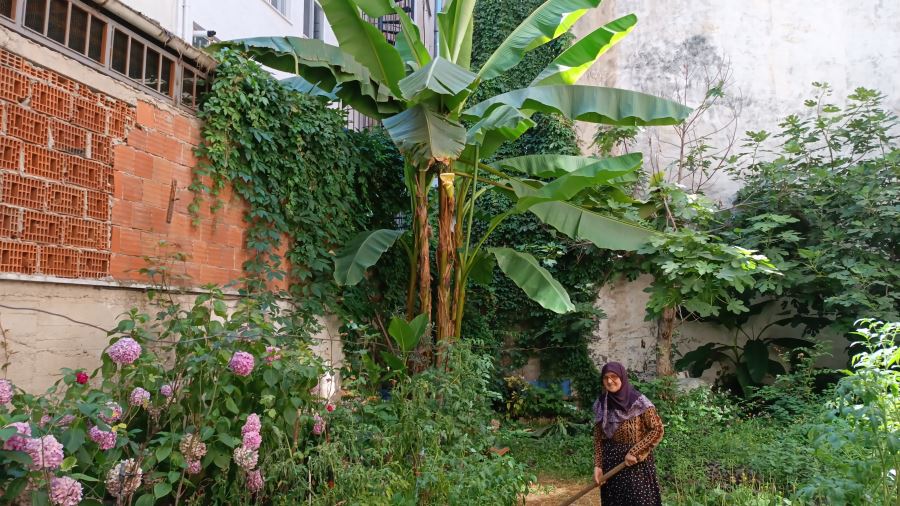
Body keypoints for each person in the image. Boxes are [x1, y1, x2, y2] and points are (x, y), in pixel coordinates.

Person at [592, 362, 664, 506]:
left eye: (614, 376)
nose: (609, 381)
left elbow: (657, 429)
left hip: (634, 464)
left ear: (622, 377)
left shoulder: (638, 401)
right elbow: (599, 438)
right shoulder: (601, 403)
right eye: (606, 377)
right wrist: (598, 465)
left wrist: (635, 452)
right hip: (611, 465)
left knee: (639, 501)